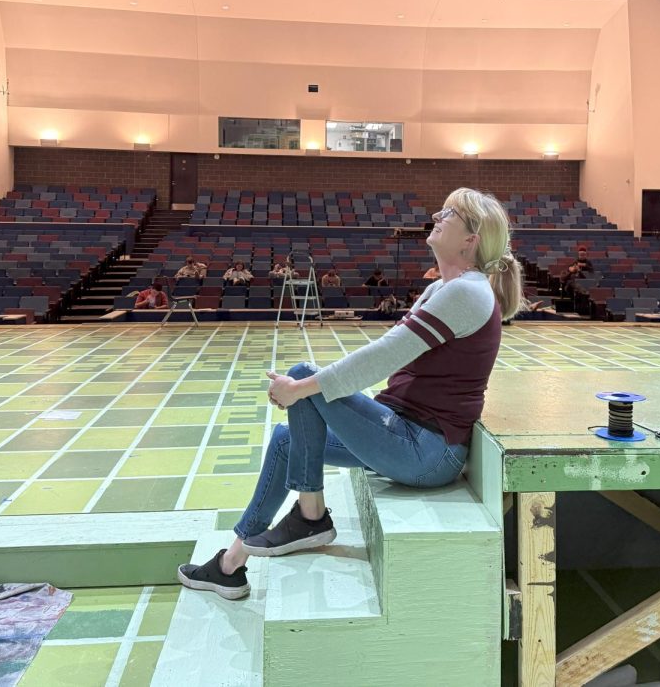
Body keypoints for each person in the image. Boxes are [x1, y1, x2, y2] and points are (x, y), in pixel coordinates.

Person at [176, 188, 524, 600]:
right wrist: (306, 392)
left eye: (448, 213)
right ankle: (230, 565)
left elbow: (381, 358)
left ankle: (311, 517)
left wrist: (300, 388)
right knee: (287, 440)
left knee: (305, 377)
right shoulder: (444, 289)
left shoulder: (467, 292)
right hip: (405, 434)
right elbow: (388, 360)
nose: (436, 215)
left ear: (471, 238)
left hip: (427, 451)